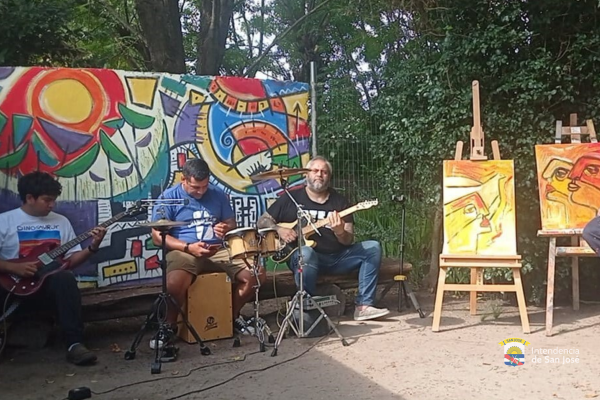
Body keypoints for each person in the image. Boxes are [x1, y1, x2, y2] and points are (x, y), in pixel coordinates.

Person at [257, 156, 390, 321]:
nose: (319, 174)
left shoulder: (340, 202)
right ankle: (308, 310)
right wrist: (279, 229)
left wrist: (340, 231)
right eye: (315, 171)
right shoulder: (291, 198)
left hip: (336, 258)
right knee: (306, 253)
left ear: (329, 176)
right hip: (304, 259)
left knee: (373, 247)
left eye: (324, 172)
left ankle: (364, 306)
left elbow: (348, 240)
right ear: (306, 174)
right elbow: (262, 221)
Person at [151, 158, 266, 347]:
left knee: (256, 274)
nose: (201, 191)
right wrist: (188, 248)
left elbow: (231, 223)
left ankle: (231, 317)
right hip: (185, 250)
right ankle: (168, 326)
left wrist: (225, 227)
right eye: (196, 187)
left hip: (218, 249)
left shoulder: (217, 193)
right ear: (183, 179)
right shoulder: (169, 198)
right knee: (174, 283)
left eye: (205, 186)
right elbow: (157, 237)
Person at [0, 171, 106, 365]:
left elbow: (70, 261)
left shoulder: (60, 221)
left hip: (45, 291)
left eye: (54, 200)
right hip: (10, 290)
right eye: (47, 200)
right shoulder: (5, 221)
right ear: (29, 198)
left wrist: (92, 247)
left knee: (65, 277)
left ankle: (75, 344)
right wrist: (12, 268)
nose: (52, 205)